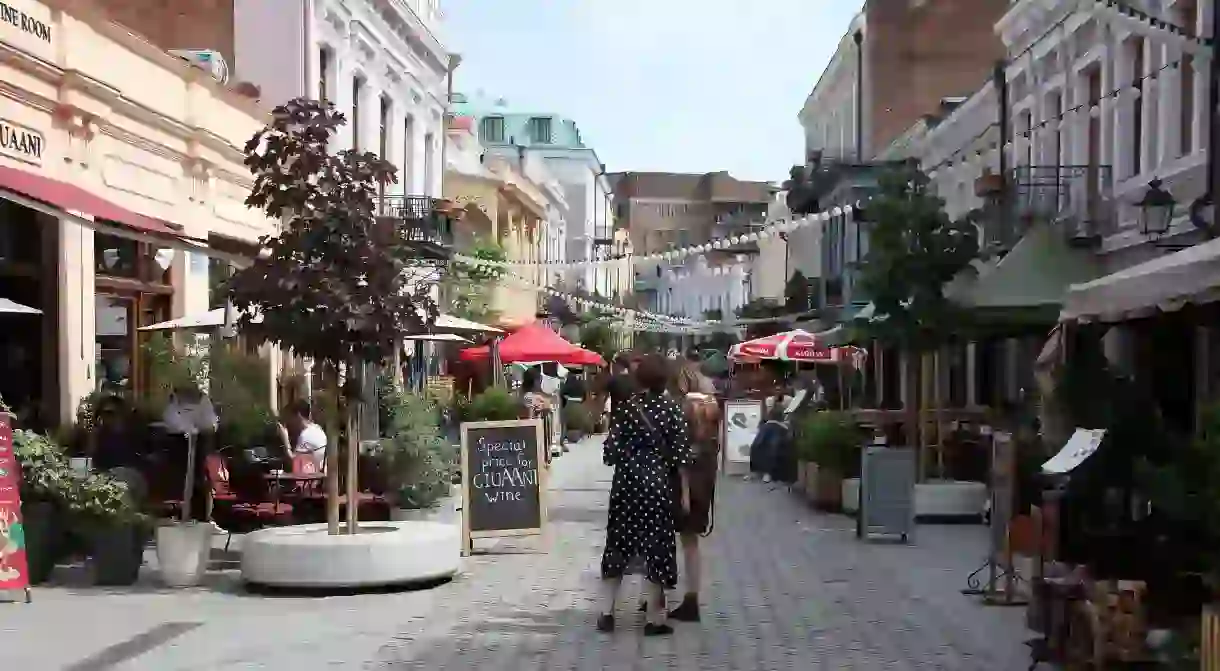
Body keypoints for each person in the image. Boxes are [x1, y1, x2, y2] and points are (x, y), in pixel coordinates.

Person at [598, 354, 692, 636]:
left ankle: (606, 614)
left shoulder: (627, 409)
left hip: (625, 487)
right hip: (656, 488)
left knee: (618, 545)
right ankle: (655, 619)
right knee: (657, 549)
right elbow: (680, 458)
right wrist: (685, 495)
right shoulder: (672, 410)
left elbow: (609, 454)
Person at [666, 351, 722, 622]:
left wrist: (684, 493)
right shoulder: (712, 407)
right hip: (706, 481)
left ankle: (658, 594)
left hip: (684, 484)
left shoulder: (685, 409)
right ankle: (692, 598)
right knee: (691, 543)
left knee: (669, 540)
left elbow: (681, 456)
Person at [278, 399, 328, 471]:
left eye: (288, 417)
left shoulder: (307, 435)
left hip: (307, 479)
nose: (287, 422)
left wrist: (285, 440)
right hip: (314, 474)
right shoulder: (317, 429)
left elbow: (293, 464)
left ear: (298, 415)